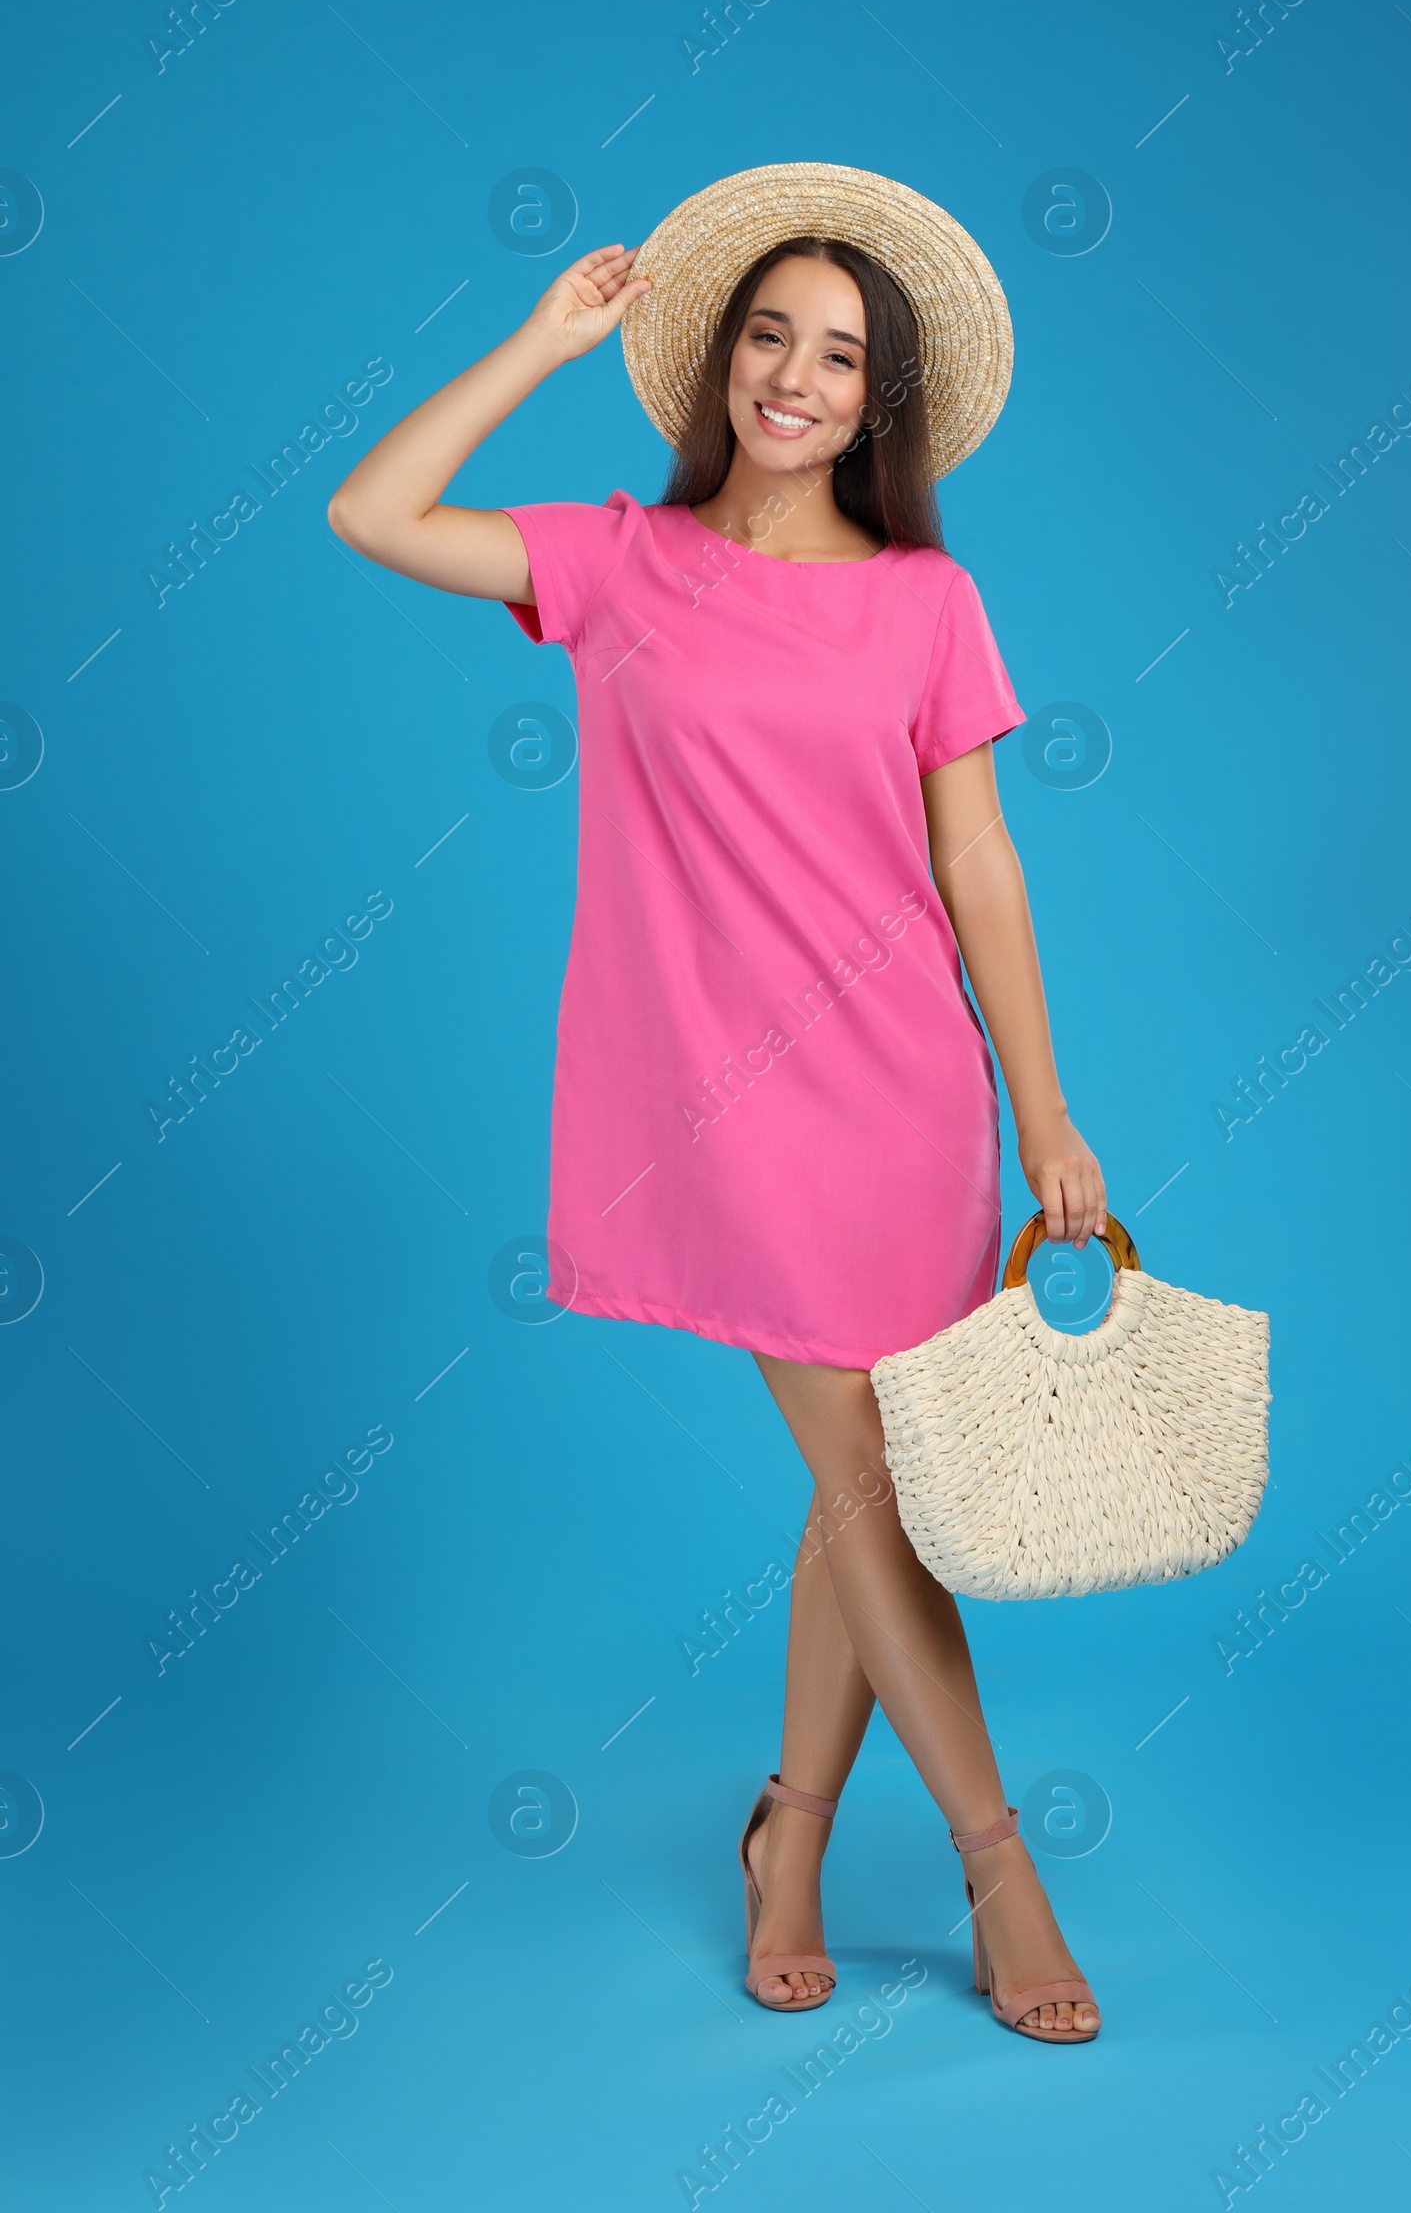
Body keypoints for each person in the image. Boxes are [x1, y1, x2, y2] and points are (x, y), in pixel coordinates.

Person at [328, 164, 1106, 2041]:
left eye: (840, 356)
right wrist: (539, 338)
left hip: (904, 1092)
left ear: (878, 400)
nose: (796, 377)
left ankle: (795, 1834)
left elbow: (979, 866)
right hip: (723, 1104)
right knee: (867, 1485)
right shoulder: (620, 562)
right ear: (720, 361)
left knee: (872, 1491)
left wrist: (1046, 1111)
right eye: (770, 334)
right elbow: (375, 510)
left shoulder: (930, 599)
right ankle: (1003, 1867)